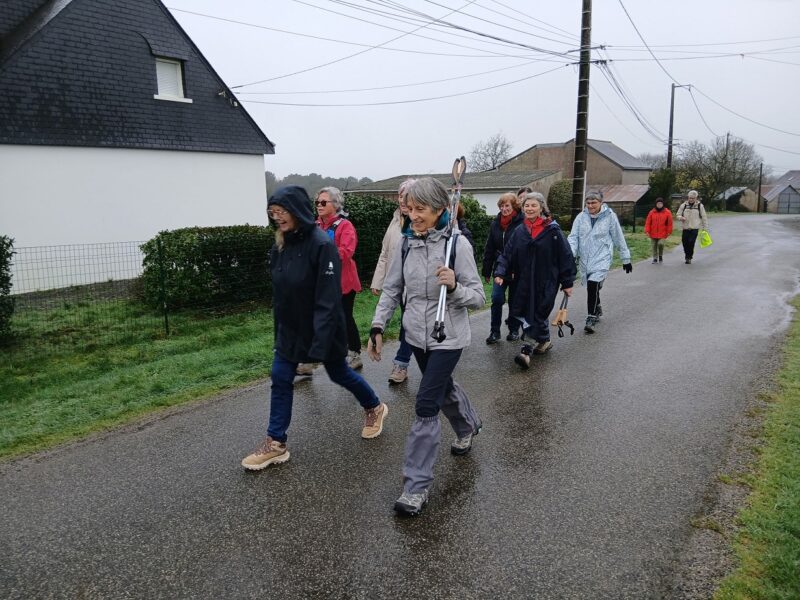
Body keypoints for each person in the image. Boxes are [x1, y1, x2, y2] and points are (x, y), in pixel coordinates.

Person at [241, 186, 387, 471]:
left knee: (339, 373)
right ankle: (276, 443)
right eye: (273, 212)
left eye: (282, 211)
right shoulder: (280, 245)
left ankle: (374, 407)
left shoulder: (322, 245)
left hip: (324, 327)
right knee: (280, 376)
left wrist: (320, 342)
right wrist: (280, 331)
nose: (277, 217)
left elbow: (328, 298)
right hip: (290, 330)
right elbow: (281, 295)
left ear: (296, 211)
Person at [367, 177, 485, 516]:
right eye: (410, 209)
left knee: (426, 403)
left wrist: (456, 287)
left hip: (448, 337)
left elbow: (478, 297)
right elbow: (392, 290)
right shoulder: (406, 244)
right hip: (416, 335)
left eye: (421, 209)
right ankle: (467, 426)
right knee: (442, 388)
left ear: (440, 210)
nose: (414, 215)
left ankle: (415, 487)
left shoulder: (458, 246)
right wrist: (378, 326)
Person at [494, 192, 575, 368]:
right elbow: (507, 254)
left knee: (537, 313)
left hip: (546, 281)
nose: (529, 209)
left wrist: (567, 282)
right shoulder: (520, 231)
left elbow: (565, 256)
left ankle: (526, 351)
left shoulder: (552, 231)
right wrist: (500, 272)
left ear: (541, 208)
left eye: (533, 205)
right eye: (526, 206)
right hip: (523, 281)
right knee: (526, 311)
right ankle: (544, 339)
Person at [567, 190, 633, 334]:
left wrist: (625, 258)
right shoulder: (581, 217)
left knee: (593, 284)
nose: (590, 206)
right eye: (588, 203)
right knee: (593, 286)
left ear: (601, 203)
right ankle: (597, 306)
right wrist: (570, 254)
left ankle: (591, 317)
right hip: (585, 258)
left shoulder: (609, 216)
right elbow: (573, 237)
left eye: (594, 203)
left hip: (602, 256)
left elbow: (618, 237)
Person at [370, 179, 415, 384]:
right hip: (395, 283)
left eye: (408, 196)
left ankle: (401, 363)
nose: (403, 200)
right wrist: (377, 281)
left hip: (413, 285)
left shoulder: (421, 221)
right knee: (407, 323)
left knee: (407, 323)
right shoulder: (395, 221)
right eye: (401, 196)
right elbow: (385, 253)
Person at [315, 186, 364, 370]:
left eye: (323, 202)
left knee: (344, 317)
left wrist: (323, 253)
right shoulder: (315, 226)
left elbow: (346, 252)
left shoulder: (345, 226)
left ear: (335, 204)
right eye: (317, 202)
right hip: (322, 282)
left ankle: (354, 353)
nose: (319, 205)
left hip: (344, 282)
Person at [481, 192, 524, 344]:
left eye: (507, 206)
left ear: (514, 206)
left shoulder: (522, 222)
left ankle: (514, 330)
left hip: (517, 269)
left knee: (514, 301)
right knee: (497, 298)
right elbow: (489, 248)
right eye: (501, 206)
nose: (504, 209)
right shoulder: (495, 224)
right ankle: (494, 331)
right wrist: (487, 271)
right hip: (500, 268)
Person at [676, 190, 708, 264]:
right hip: (685, 227)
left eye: (693, 198)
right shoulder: (683, 205)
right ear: (688, 197)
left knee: (691, 242)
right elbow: (678, 214)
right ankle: (687, 255)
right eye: (690, 198)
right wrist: (681, 217)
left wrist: (705, 228)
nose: (691, 199)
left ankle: (689, 257)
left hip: (694, 228)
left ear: (696, 198)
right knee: (685, 242)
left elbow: (704, 217)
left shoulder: (700, 206)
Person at [644, 197, 673, 264]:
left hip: (663, 233)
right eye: (658, 203)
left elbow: (670, 223)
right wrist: (647, 231)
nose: (659, 205)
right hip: (653, 232)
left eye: (660, 203)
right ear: (656, 204)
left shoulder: (667, 212)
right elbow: (648, 222)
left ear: (663, 204)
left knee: (660, 244)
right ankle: (655, 258)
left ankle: (660, 255)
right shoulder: (652, 212)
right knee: (654, 245)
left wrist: (669, 231)